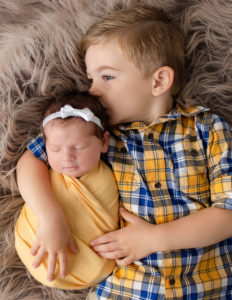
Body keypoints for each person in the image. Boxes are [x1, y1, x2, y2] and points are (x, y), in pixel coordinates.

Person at [17, 3, 232, 299]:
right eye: (91, 78)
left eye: (106, 77)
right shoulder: (97, 132)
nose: (92, 90)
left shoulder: (207, 128)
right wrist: (50, 216)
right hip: (126, 289)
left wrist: (155, 238)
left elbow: (228, 213)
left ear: (159, 81)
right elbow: (30, 161)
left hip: (208, 287)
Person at [15, 91, 119, 289]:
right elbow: (27, 163)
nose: (66, 158)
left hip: (98, 264)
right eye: (55, 149)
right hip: (35, 242)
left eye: (79, 147)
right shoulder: (48, 166)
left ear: (104, 142)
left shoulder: (117, 165)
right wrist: (50, 219)